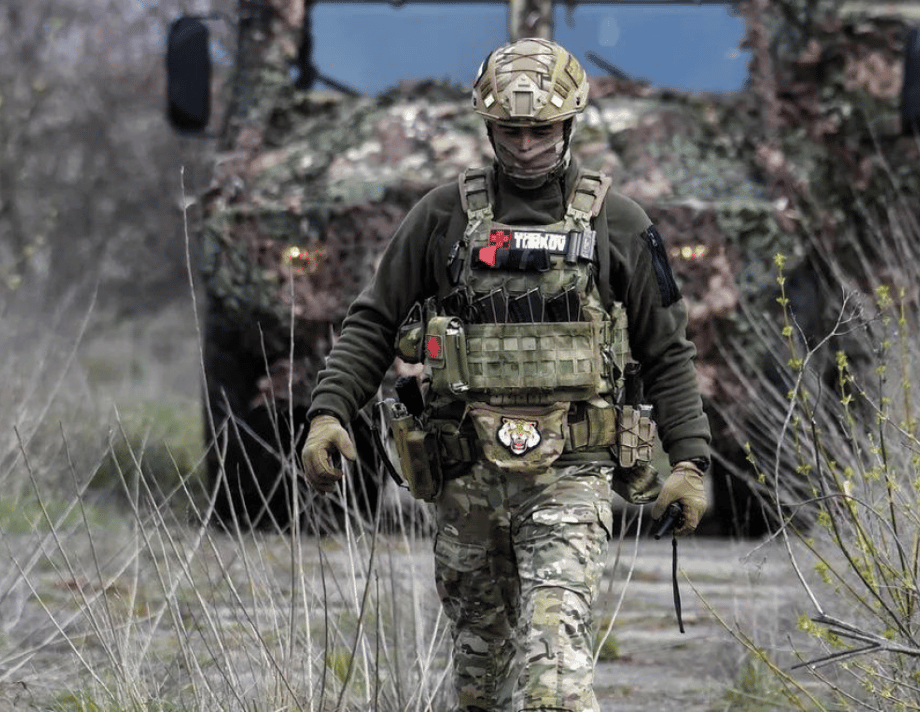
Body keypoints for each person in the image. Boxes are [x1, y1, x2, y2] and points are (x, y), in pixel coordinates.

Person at [299, 37, 711, 712]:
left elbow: (668, 351)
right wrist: (327, 412)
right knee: (481, 686)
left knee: (555, 674)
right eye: (510, 131)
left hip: (572, 477)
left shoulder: (621, 223)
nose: (524, 146)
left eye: (540, 130)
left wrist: (690, 462)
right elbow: (373, 322)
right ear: (488, 127)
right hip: (468, 482)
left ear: (570, 123)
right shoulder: (442, 216)